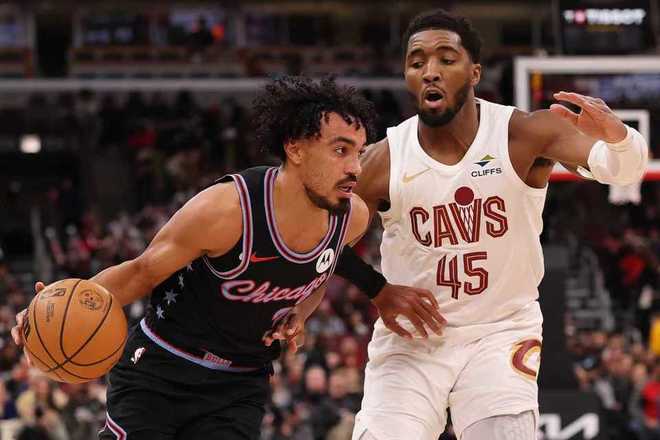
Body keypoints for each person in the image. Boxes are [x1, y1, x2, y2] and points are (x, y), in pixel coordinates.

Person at [10, 75, 429, 440]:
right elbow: (140, 273)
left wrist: (300, 312)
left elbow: (320, 271)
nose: (356, 167)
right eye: (340, 150)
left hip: (239, 384)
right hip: (161, 369)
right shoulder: (227, 210)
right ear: (295, 148)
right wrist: (53, 308)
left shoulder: (351, 217)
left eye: (359, 152)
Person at [330, 9, 649, 440]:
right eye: (416, 62)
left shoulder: (525, 133)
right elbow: (325, 242)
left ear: (474, 72)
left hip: (500, 334)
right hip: (412, 341)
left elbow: (623, 169)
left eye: (446, 59)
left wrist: (620, 138)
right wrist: (377, 289)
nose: (430, 71)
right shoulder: (383, 158)